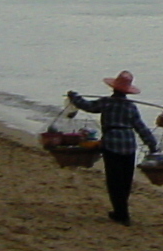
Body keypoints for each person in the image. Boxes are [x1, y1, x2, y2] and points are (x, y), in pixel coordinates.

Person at [67, 71, 157, 226]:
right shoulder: (131, 107)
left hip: (111, 145)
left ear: (114, 88)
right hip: (129, 145)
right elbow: (140, 127)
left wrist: (74, 97)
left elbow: (87, 106)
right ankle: (122, 211)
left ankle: (121, 213)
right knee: (125, 180)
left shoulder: (106, 103)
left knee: (114, 181)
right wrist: (152, 144)